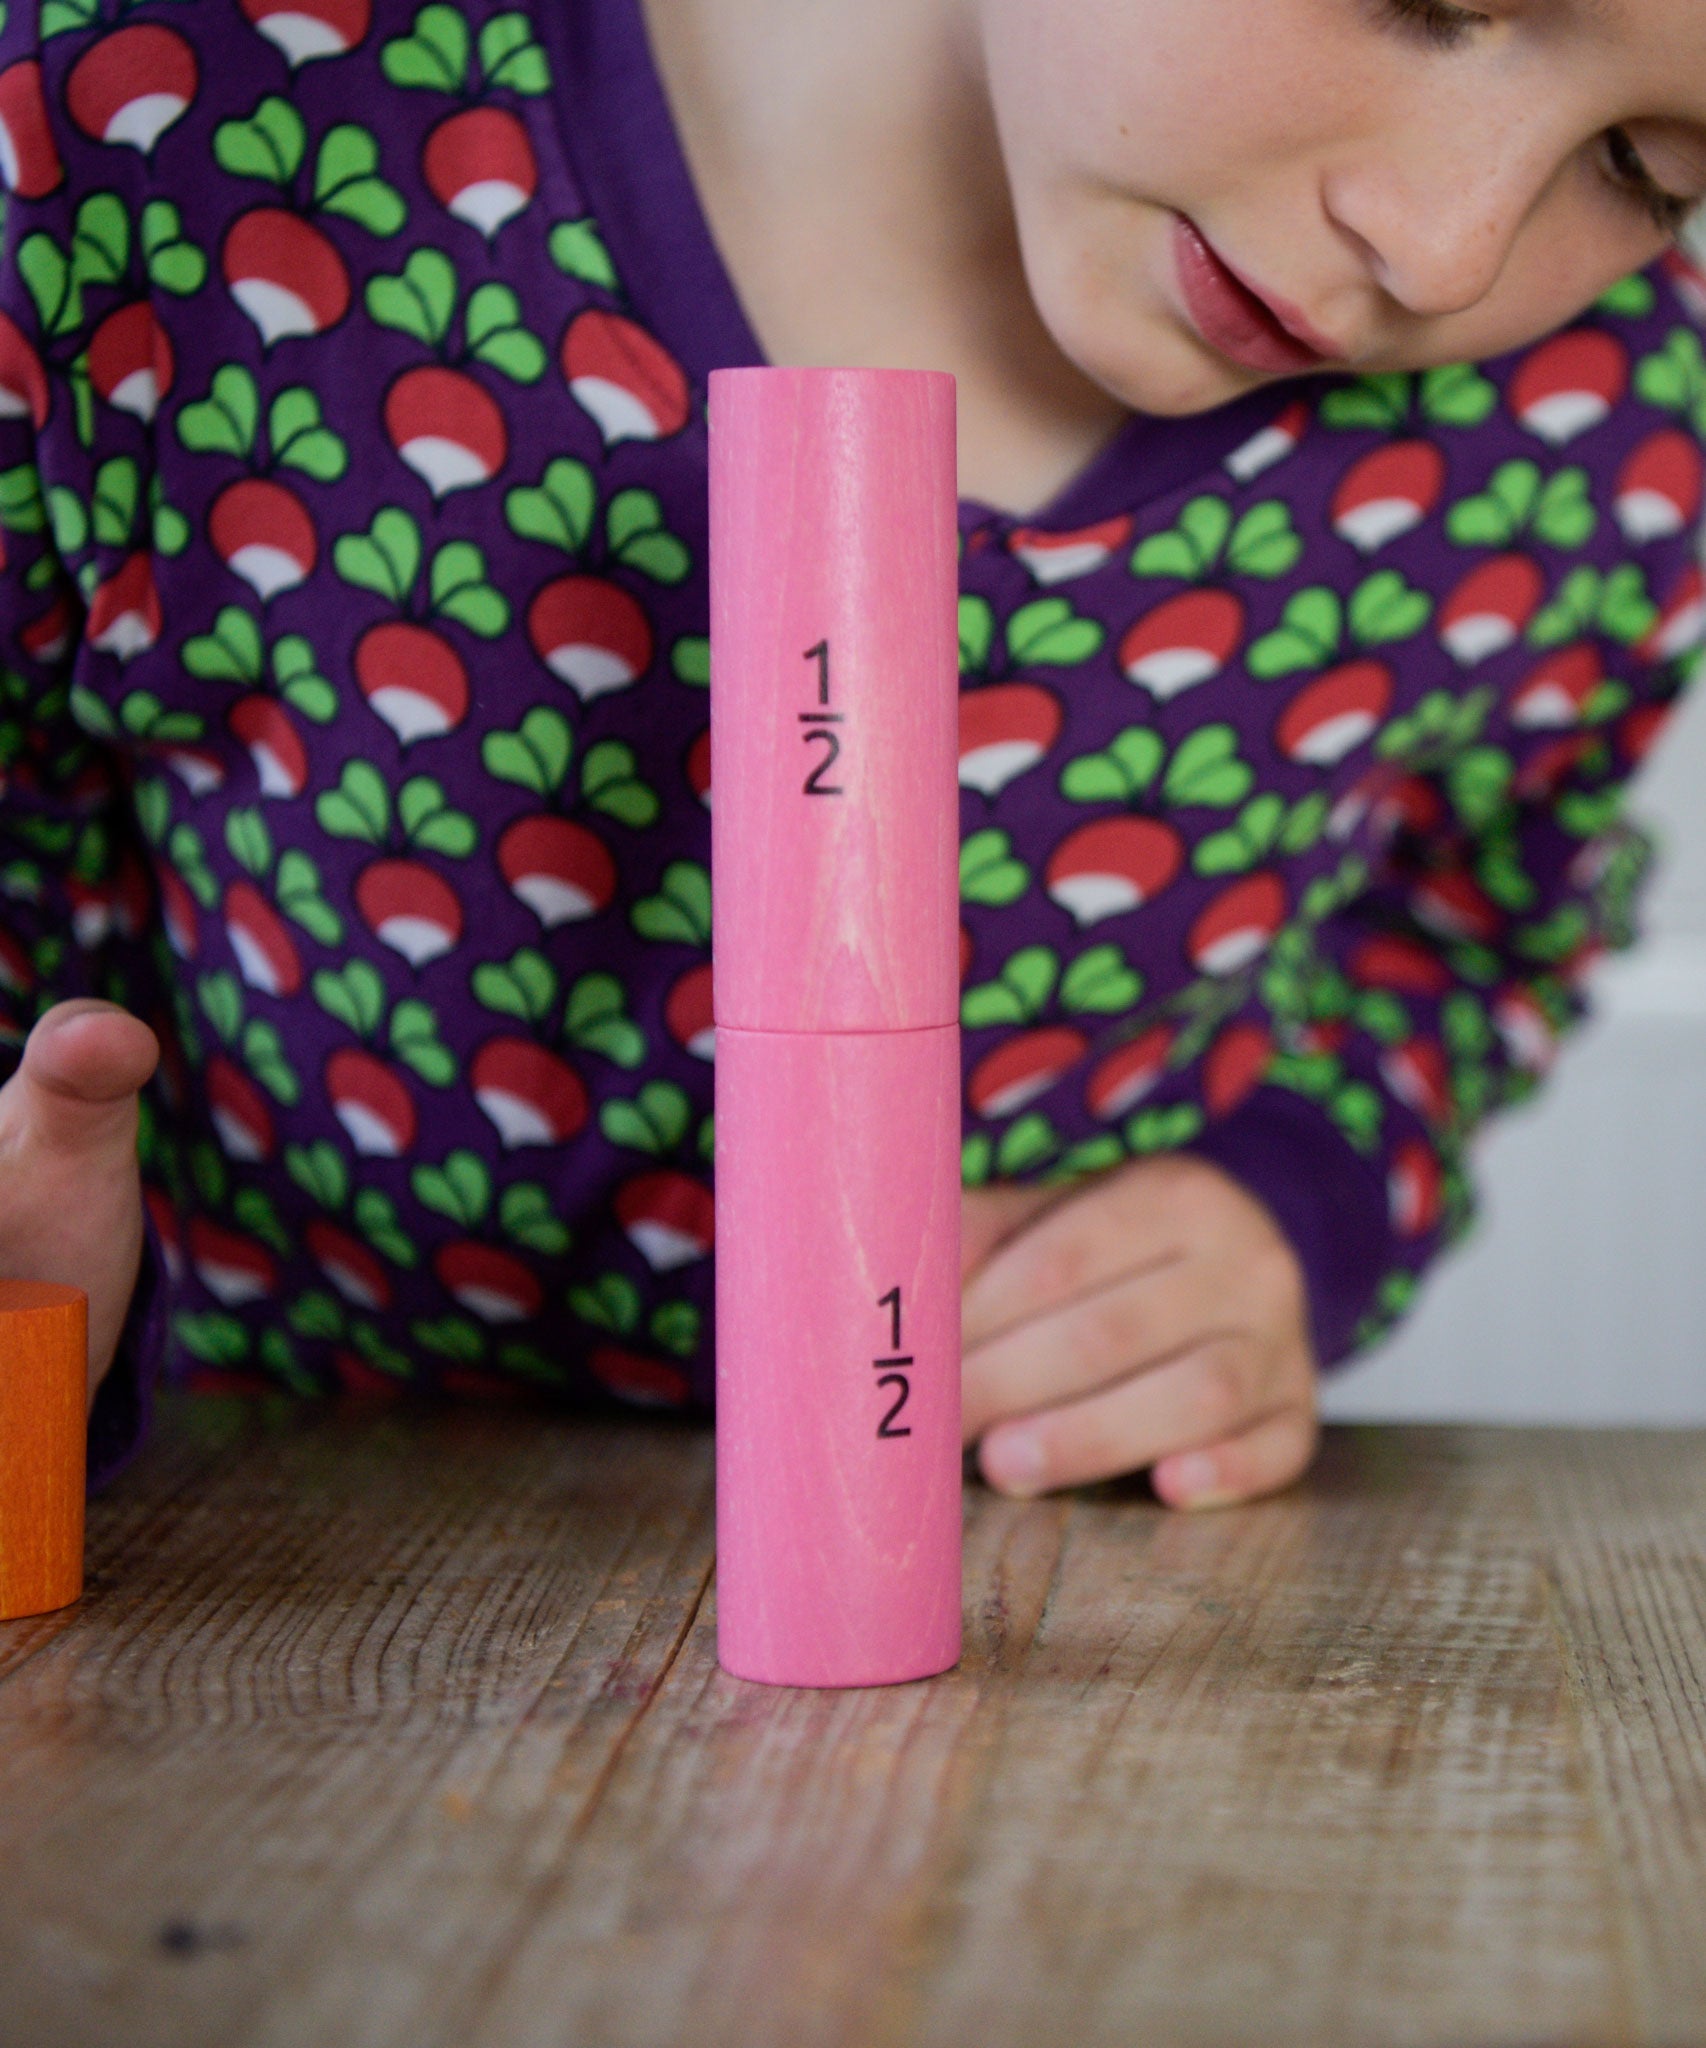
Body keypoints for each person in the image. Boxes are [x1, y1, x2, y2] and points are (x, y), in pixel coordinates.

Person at [0, 0, 1702, 1508]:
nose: (1444, 247)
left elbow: (1480, 922)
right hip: (247, 1564)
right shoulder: (167, 122)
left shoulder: (1596, 428)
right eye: (1432, 0)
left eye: (1642, 165)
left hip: (1024, 1595)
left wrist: (1288, 1203)